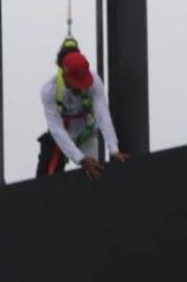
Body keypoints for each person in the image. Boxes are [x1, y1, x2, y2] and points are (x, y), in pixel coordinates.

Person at [37, 39, 128, 179]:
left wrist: (114, 149)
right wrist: (80, 158)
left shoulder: (94, 82)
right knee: (47, 175)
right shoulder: (49, 90)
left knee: (97, 171)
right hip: (62, 134)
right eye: (76, 84)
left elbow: (102, 114)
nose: (81, 87)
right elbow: (56, 128)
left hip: (86, 131)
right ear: (65, 76)